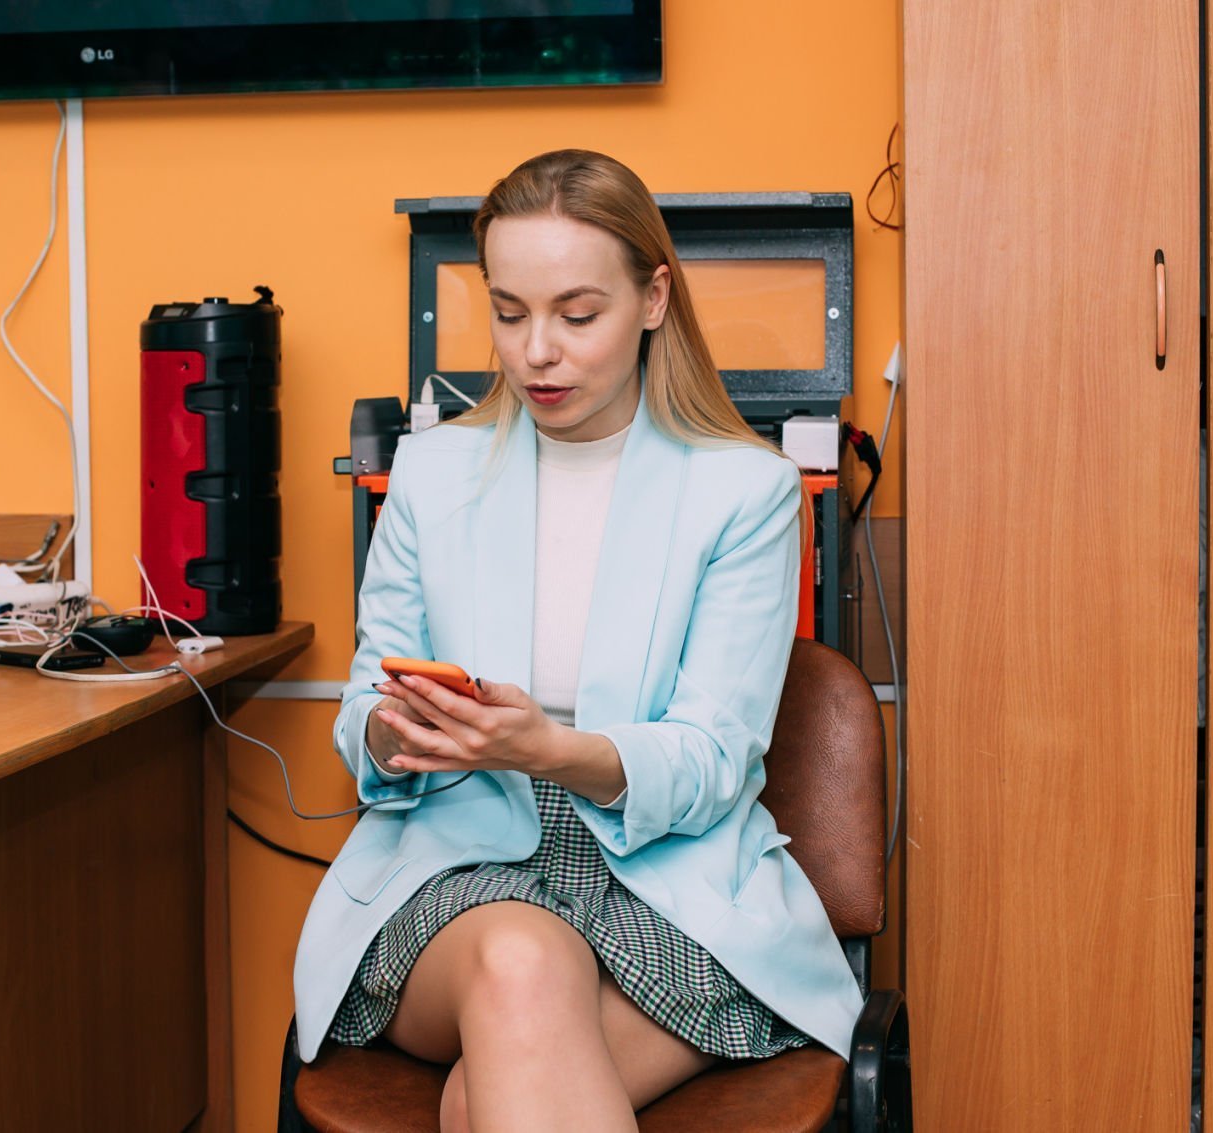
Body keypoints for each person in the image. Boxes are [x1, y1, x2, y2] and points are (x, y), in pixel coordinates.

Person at [293, 149, 863, 1132]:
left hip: (671, 888)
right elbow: (360, 723)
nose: (535, 352)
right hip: (459, 875)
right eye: (508, 313)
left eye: (576, 314)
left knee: (480, 1100)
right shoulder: (432, 475)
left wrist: (547, 750)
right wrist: (394, 733)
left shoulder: (746, 492)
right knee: (520, 960)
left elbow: (712, 760)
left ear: (652, 298)